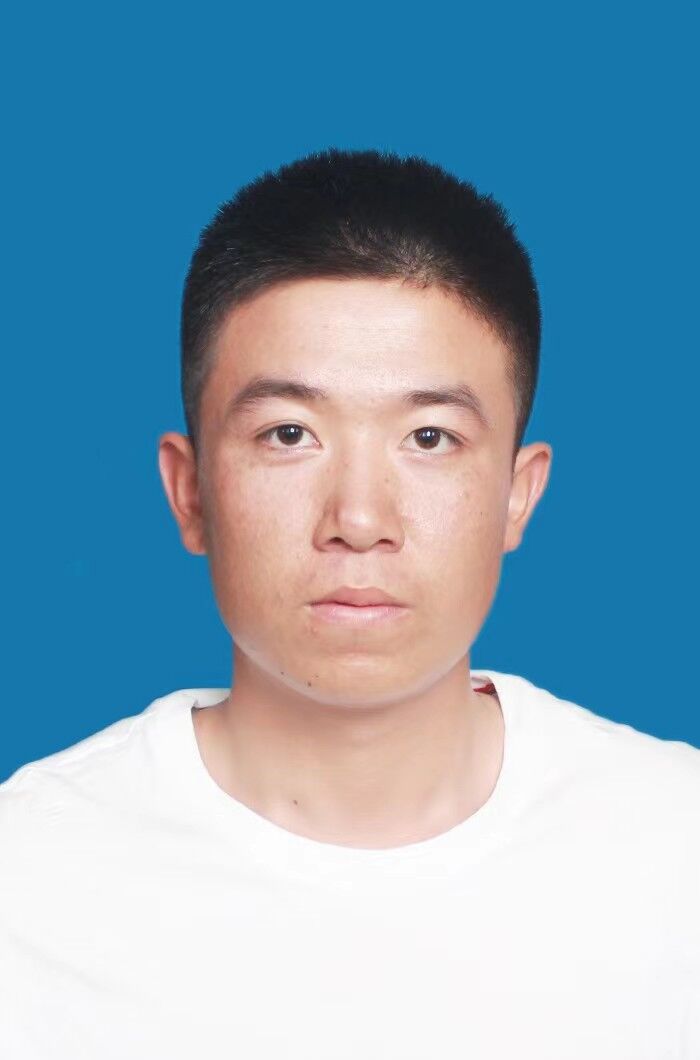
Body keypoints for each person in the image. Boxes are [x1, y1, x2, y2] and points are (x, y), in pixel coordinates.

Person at [1, 147, 698, 1059]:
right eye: (289, 433)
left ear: (517, 495)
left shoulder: (675, 850)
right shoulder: (29, 881)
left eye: (430, 437)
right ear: (190, 491)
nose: (360, 520)